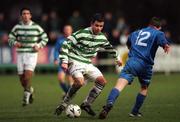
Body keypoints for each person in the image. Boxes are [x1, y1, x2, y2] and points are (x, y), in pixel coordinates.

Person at [98, 17, 171, 119]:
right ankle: (134, 112)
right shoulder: (158, 33)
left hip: (132, 62)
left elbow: (128, 45)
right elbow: (163, 41)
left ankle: (109, 104)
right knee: (144, 88)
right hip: (146, 65)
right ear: (158, 27)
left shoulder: (135, 33)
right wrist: (165, 45)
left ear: (149, 24)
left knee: (118, 86)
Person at [54, 13, 122, 116]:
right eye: (97, 25)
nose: (99, 28)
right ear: (91, 24)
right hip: (75, 61)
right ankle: (64, 103)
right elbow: (66, 43)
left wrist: (117, 58)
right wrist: (64, 60)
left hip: (87, 63)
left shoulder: (101, 37)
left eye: (101, 26)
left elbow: (110, 48)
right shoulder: (82, 33)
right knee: (79, 82)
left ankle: (86, 104)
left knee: (102, 82)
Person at [8, 7, 48, 106]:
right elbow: (10, 38)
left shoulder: (36, 27)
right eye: (24, 14)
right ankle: (30, 90)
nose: (26, 15)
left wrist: (38, 45)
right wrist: (15, 42)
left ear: (30, 15)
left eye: (27, 13)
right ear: (21, 16)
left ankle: (25, 98)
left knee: (27, 76)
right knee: (22, 80)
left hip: (31, 54)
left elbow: (45, 38)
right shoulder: (17, 27)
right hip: (20, 54)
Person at [54, 25, 73, 95]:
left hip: (71, 62)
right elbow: (56, 50)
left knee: (70, 82)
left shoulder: (74, 39)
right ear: (64, 30)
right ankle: (67, 92)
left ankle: (68, 95)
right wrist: (55, 59)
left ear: (71, 30)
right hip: (62, 63)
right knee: (60, 79)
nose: (67, 31)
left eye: (68, 29)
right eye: (66, 29)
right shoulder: (60, 40)